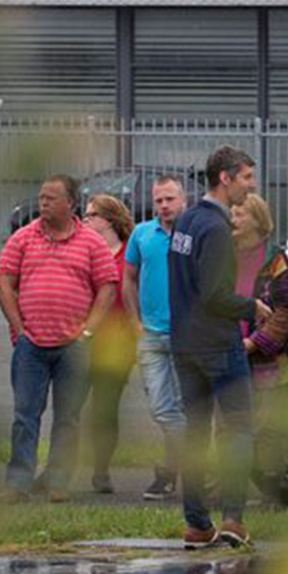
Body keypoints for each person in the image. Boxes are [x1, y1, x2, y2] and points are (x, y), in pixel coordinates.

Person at [168, 145, 270, 547]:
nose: (252, 184)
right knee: (239, 429)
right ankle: (232, 519)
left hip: (184, 344)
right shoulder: (216, 229)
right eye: (246, 177)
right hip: (217, 343)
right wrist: (253, 306)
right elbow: (214, 294)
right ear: (225, 178)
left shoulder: (186, 221)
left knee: (194, 434)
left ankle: (196, 523)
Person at [0, 173, 119, 502]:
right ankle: (18, 482)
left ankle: (58, 480)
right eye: (41, 197)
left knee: (68, 417)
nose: (43, 203)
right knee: (25, 415)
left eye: (51, 198)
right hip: (31, 345)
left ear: (70, 203)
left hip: (73, 347)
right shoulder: (23, 238)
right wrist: (19, 329)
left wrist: (88, 331)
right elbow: (5, 282)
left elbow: (108, 285)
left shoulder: (91, 242)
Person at [122, 175, 190, 500]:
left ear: (184, 200)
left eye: (170, 199)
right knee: (163, 408)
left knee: (186, 406)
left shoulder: (195, 234)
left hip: (186, 335)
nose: (164, 206)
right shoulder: (141, 234)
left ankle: (171, 472)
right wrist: (135, 322)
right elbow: (128, 279)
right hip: (150, 334)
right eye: (159, 200)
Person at [82, 193, 139, 494]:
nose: (86, 219)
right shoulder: (82, 249)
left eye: (92, 215)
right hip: (83, 338)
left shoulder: (130, 252)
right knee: (72, 404)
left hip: (117, 340)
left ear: (109, 219)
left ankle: (101, 470)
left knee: (105, 407)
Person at [233, 194, 288, 393]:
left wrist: (253, 343)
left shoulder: (276, 260)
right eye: (230, 214)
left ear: (257, 220)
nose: (231, 220)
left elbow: (284, 311)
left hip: (265, 361)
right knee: (227, 421)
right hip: (226, 356)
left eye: (238, 215)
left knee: (264, 421)